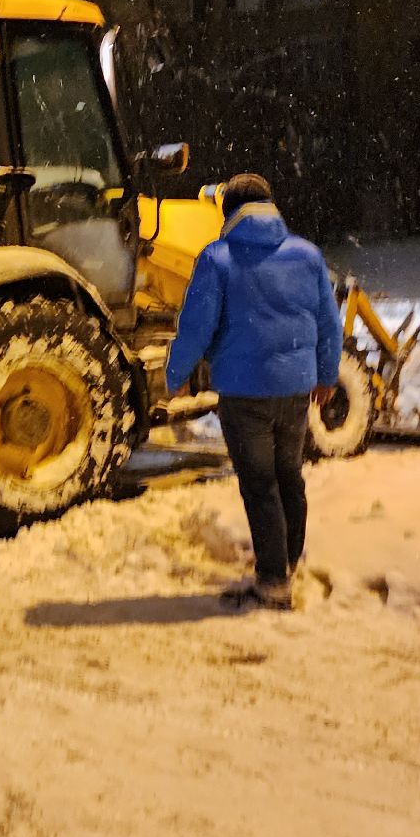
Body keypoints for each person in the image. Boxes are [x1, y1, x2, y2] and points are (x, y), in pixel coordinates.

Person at [165, 173, 340, 611]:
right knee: (288, 476)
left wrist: (177, 374)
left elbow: (196, 326)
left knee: (260, 485)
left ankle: (273, 582)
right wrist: (326, 374)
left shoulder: (217, 258)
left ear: (229, 212)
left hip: (244, 393)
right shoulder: (307, 255)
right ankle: (288, 562)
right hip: (296, 389)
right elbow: (328, 322)